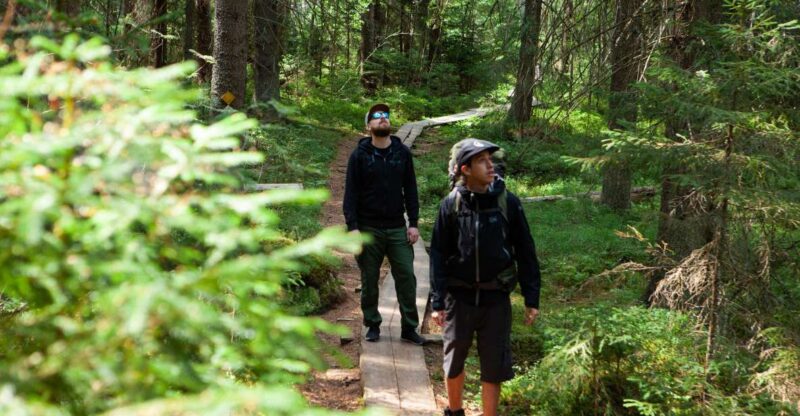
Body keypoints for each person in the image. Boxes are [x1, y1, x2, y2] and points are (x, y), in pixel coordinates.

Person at [429, 139, 542, 416]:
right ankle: (454, 411)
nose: (491, 165)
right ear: (465, 169)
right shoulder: (451, 205)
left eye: (491, 159)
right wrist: (437, 301)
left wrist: (531, 297)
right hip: (459, 298)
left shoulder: (508, 202)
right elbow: (438, 254)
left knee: (494, 367)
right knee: (454, 361)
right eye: (482, 161)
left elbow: (526, 251)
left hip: (496, 298)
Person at [343, 103, 426, 345]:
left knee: (407, 277)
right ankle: (372, 324)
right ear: (368, 125)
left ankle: (409, 327)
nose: (383, 119)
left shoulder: (402, 154)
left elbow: (410, 189)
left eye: (386, 116)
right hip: (368, 228)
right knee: (369, 278)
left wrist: (413, 223)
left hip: (397, 226)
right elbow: (350, 195)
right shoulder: (359, 156)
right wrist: (353, 228)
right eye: (377, 116)